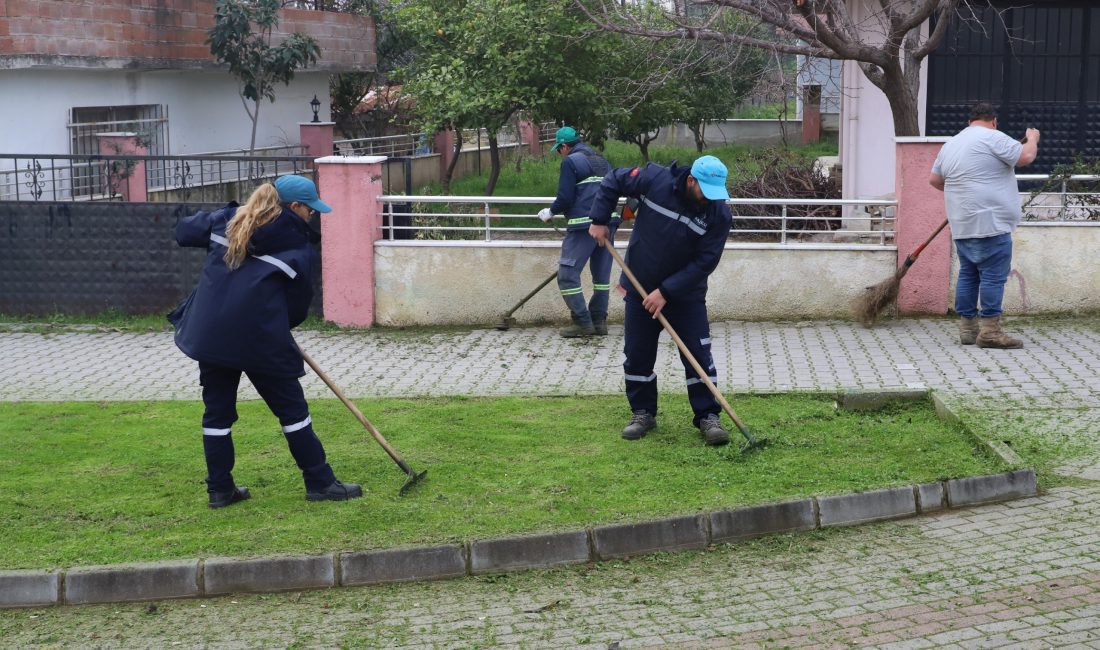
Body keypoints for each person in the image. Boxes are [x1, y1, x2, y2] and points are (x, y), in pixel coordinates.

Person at [168, 175, 362, 508]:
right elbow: (297, 307)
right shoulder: (296, 246)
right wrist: (276, 323)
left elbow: (183, 230)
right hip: (260, 339)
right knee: (292, 410)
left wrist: (231, 213)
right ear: (295, 207)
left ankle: (220, 490)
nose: (312, 216)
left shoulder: (226, 222)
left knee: (217, 413)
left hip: (212, 336)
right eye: (310, 210)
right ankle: (319, 482)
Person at [588, 155, 733, 446]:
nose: (711, 199)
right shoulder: (655, 179)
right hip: (640, 288)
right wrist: (600, 219)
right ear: (691, 180)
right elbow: (614, 180)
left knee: (698, 356)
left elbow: (705, 262)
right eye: (706, 191)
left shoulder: (719, 215)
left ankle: (708, 416)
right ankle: (643, 413)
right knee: (638, 354)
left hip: (685, 296)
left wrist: (666, 292)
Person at [929, 102, 1039, 349]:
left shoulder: (951, 144)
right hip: (991, 223)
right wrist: (1031, 138)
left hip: (962, 223)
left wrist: (964, 192)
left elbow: (935, 180)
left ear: (969, 121)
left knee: (968, 274)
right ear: (994, 120)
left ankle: (968, 329)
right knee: (992, 276)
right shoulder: (993, 137)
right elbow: (1026, 156)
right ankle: (990, 332)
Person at [537, 126, 619, 337]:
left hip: (585, 225)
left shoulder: (570, 162)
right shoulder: (601, 160)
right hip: (608, 224)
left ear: (564, 146)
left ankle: (582, 323)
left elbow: (565, 197)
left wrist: (550, 212)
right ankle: (599, 321)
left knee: (567, 275)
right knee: (601, 277)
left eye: (559, 149)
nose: (560, 153)